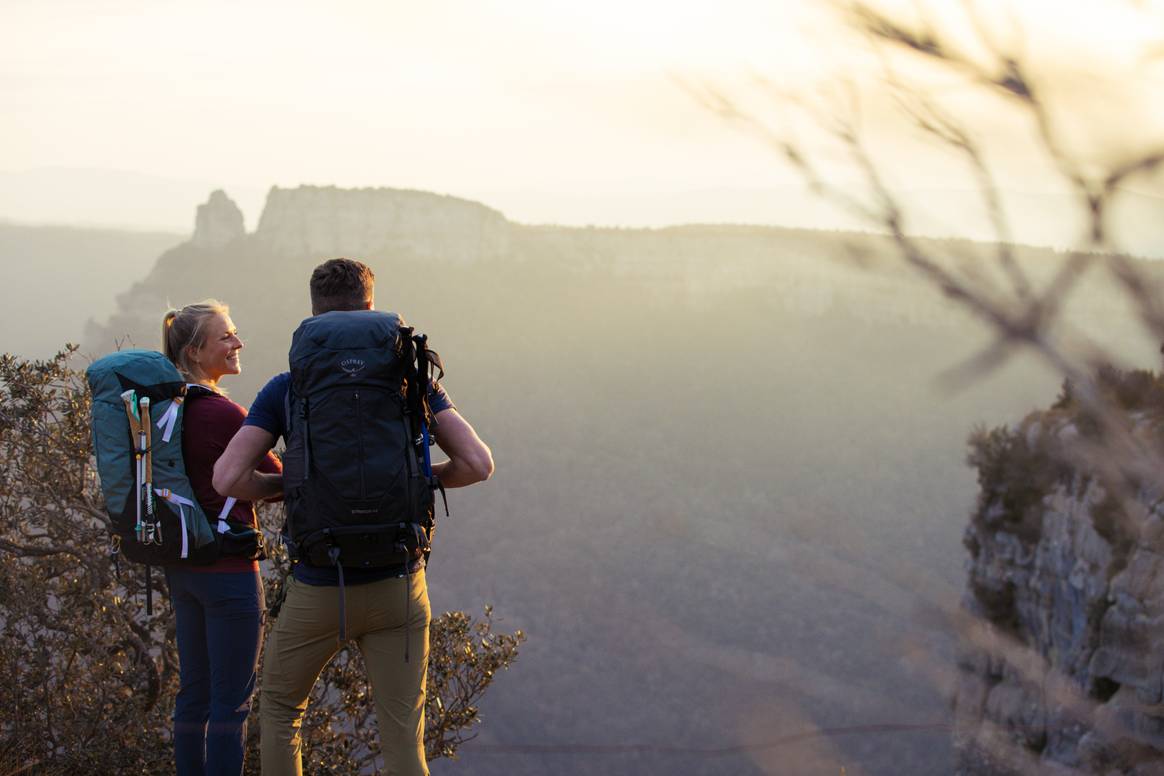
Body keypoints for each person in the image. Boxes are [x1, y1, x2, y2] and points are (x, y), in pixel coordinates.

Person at [212, 258, 494, 776]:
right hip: (398, 586)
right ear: (371, 306)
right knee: (403, 739)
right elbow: (478, 464)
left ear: (314, 313)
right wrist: (418, 478)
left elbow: (227, 479)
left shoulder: (287, 387)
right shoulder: (411, 378)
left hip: (319, 585)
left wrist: (293, 489)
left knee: (279, 711)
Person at [161, 300, 282, 776]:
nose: (237, 343)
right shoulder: (225, 414)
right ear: (194, 352)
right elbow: (279, 480)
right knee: (231, 705)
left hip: (184, 567)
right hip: (229, 573)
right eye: (226, 336)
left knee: (193, 693)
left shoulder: (167, 410)